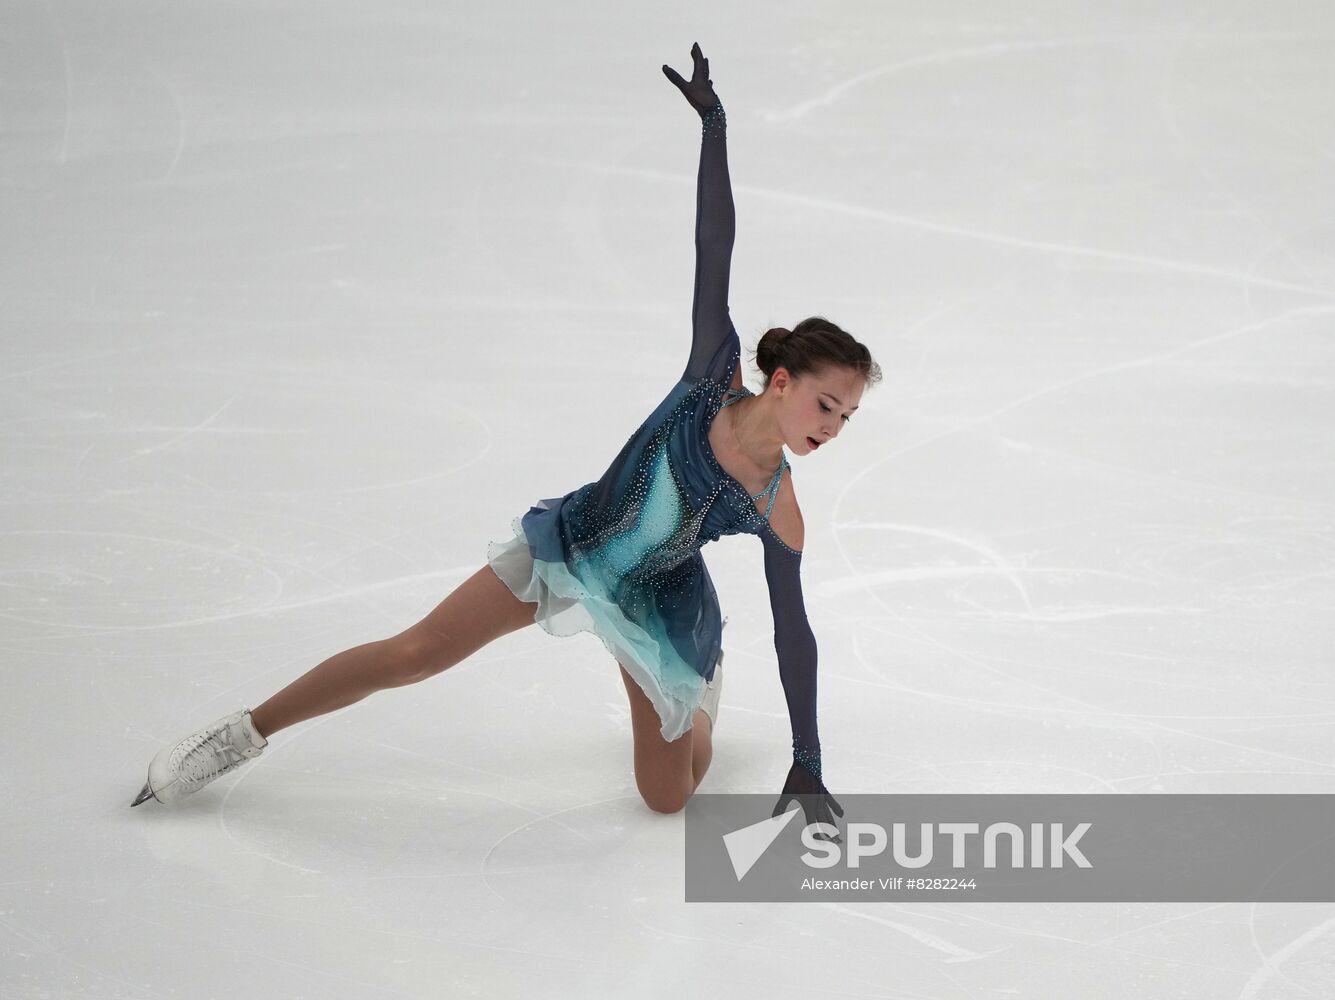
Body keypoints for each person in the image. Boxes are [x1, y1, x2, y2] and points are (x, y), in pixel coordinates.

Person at [130, 43, 879, 840]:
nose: (831, 428)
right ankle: (242, 733)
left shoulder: (777, 506)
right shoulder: (707, 373)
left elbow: (793, 634)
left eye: (846, 418)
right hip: (574, 538)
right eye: (827, 405)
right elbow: (713, 246)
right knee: (417, 652)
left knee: (667, 797)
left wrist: (808, 759)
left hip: (656, 603)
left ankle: (692, 691)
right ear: (782, 380)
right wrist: (713, 128)